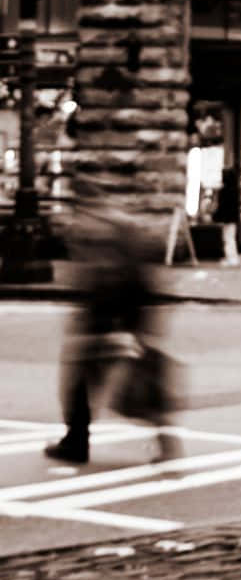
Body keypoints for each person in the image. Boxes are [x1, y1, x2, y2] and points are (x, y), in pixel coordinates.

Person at [48, 183, 178, 464]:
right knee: (127, 380)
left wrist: (99, 320)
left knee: (80, 382)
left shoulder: (95, 229)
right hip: (126, 314)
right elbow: (141, 275)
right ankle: (163, 437)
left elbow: (104, 276)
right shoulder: (121, 224)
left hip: (104, 317)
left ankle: (76, 442)